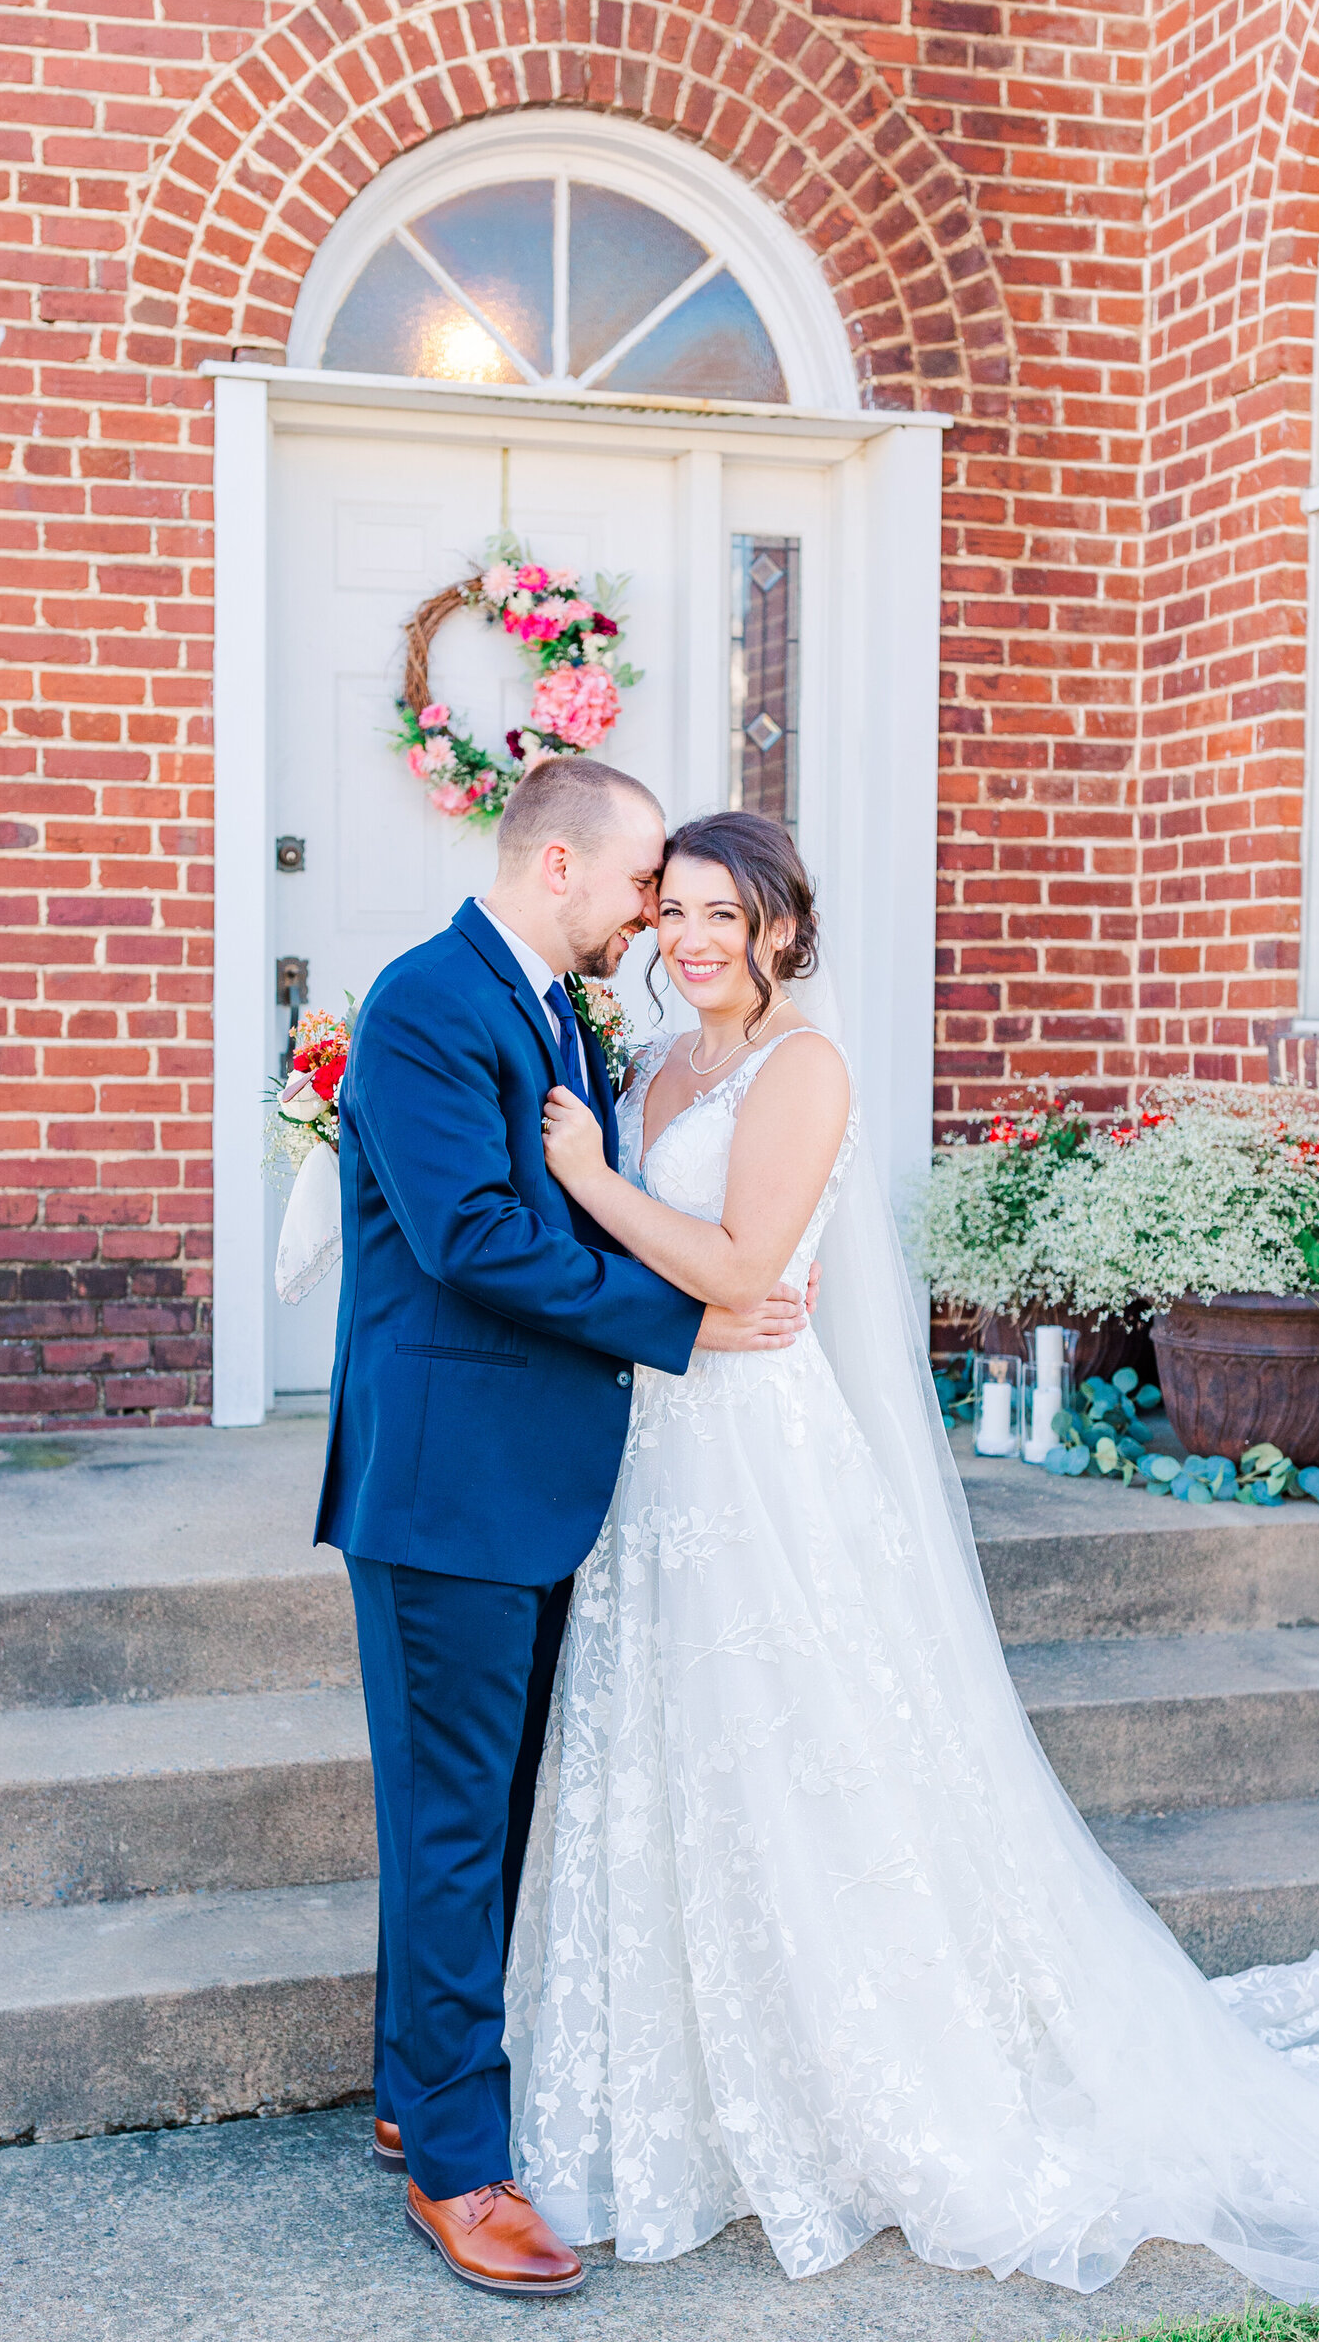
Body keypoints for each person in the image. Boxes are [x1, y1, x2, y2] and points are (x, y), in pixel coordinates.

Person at [509, 807, 1319, 2325]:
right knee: (678, 1756)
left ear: (781, 930)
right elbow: (673, 1268)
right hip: (660, 1444)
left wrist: (588, 1176)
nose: (689, 939)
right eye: (672, 911)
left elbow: (748, 1268)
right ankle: (694, 2082)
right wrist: (608, 1182)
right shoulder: (658, 1065)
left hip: (759, 1456)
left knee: (807, 1755)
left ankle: (878, 2084)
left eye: (720, 915)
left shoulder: (801, 1066)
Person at [311, 758, 817, 2301]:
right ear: (560, 870)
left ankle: (418, 2095)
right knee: (456, 1823)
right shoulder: (428, 1003)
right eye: (641, 883)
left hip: (529, 1484)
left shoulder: (549, 1005)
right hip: (446, 1487)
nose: (651, 912)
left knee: (489, 1809)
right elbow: (470, 1241)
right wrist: (689, 1321)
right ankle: (463, 2171)